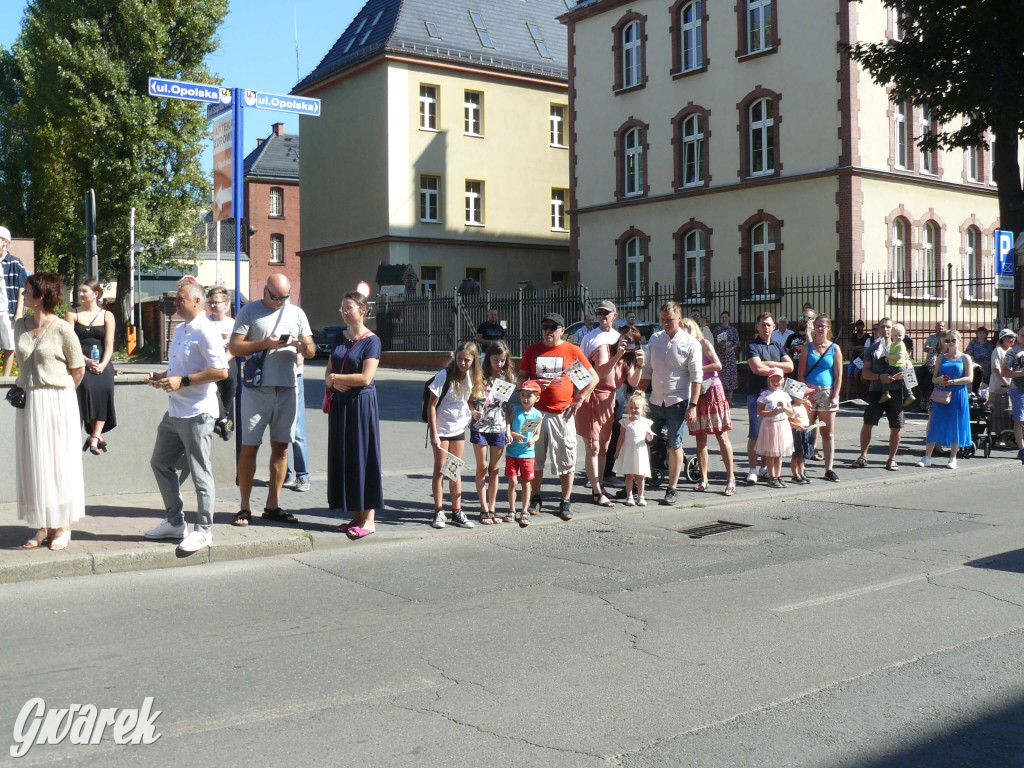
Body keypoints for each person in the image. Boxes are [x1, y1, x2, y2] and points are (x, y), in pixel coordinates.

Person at [142, 281, 229, 552]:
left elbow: (221, 371)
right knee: (160, 463)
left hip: (198, 413)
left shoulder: (207, 331)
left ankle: (204, 530)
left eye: (181, 299)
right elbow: (178, 370)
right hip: (175, 411)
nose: (176, 303)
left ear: (197, 303)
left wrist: (184, 381)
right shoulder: (180, 329)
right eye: (176, 299)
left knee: (201, 472)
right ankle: (175, 522)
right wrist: (164, 377)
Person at [228, 274, 315, 527]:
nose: (279, 301)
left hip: (288, 388)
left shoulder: (297, 313)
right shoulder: (249, 311)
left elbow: (311, 350)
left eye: (284, 297)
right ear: (265, 290)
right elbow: (235, 347)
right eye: (275, 296)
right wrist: (263, 344)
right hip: (257, 390)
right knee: (249, 448)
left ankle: (272, 505)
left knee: (281, 448)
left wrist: (299, 344)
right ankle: (244, 507)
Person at [14, 273, 86, 550]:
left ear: (41, 295)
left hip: (57, 400)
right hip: (29, 402)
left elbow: (77, 369)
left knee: (58, 463)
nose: (23, 294)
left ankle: (63, 526)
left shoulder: (62, 328)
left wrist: (59, 394)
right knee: (35, 463)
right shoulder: (20, 324)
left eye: (28, 290)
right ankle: (43, 525)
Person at [518, 312, 597, 520]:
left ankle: (565, 501)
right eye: (545, 327)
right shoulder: (533, 350)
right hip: (534, 414)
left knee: (566, 459)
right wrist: (532, 386)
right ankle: (535, 497)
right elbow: (522, 379)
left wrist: (579, 400)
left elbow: (592, 379)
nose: (548, 331)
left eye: (553, 327)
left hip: (563, 414)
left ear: (563, 330)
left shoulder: (571, 351)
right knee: (532, 457)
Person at [326, 292, 384, 539]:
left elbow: (365, 377)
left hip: (361, 404)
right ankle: (355, 516)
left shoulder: (372, 341)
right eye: (342, 308)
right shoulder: (339, 337)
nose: (344, 312)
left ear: (363, 309)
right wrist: (331, 381)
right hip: (340, 405)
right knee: (347, 458)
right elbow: (328, 372)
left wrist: (335, 379)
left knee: (364, 456)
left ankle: (369, 520)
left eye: (348, 307)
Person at [633, 301, 702, 505]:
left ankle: (672, 489)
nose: (665, 323)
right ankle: (639, 486)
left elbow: (696, 377)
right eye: (662, 319)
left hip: (678, 401)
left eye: (669, 320)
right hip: (654, 401)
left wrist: (693, 406)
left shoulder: (691, 343)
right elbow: (647, 370)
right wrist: (638, 394)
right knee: (644, 442)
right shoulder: (655, 339)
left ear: (679, 318)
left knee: (674, 445)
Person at [577, 319, 641, 508]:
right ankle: (596, 492)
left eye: (632, 341)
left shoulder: (629, 358)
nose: (627, 342)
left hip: (609, 402)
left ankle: (600, 485)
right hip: (592, 398)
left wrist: (640, 365)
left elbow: (635, 382)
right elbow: (602, 373)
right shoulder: (605, 349)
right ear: (619, 337)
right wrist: (618, 354)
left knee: (604, 448)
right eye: (625, 338)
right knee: (593, 447)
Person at [427, 340, 483, 529]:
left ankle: (457, 512)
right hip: (442, 430)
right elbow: (431, 406)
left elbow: (467, 400)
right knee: (440, 469)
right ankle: (438, 511)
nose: (462, 363)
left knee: (454, 470)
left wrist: (473, 411)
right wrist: (434, 434)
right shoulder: (444, 375)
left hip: (458, 429)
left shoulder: (471, 376)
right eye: (459, 359)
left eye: (467, 360)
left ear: (473, 360)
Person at [680, 317, 735, 495]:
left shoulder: (702, 342)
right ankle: (704, 479)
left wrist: (695, 369)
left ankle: (730, 478)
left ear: (693, 328)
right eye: (681, 328)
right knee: (700, 438)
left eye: (687, 327)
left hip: (712, 389)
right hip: (695, 392)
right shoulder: (683, 348)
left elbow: (717, 365)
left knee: (721, 435)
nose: (684, 331)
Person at [66, 279, 117, 454]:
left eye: (84, 291)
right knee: (86, 388)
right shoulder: (72, 314)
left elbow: (109, 345)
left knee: (105, 388)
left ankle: (95, 435)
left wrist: (103, 364)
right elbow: (69, 344)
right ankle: (93, 435)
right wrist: (85, 361)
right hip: (80, 361)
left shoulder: (107, 315)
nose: (80, 295)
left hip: (102, 360)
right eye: (79, 291)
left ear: (96, 294)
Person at [743, 312, 794, 484]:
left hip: (776, 395)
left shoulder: (778, 345)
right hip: (757, 395)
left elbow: (790, 366)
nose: (766, 327)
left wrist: (769, 364)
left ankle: (765, 468)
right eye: (762, 324)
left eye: (769, 324)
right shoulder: (752, 346)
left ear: (774, 327)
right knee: (755, 434)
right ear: (757, 326)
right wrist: (778, 369)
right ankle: (752, 469)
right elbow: (757, 368)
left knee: (770, 433)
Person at [851, 318, 905, 470]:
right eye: (882, 327)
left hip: (895, 391)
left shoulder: (901, 347)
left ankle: (891, 459)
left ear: (893, 329)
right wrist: (880, 377)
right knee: (868, 423)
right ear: (878, 329)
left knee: (896, 426)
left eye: (888, 326)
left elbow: (907, 368)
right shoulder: (872, 349)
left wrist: (898, 376)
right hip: (875, 390)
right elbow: (865, 374)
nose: (886, 329)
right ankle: (863, 456)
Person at [472, 341, 514, 524]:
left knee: (494, 470)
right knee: (482, 467)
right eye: (496, 360)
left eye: (503, 360)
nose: (499, 364)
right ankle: (483, 509)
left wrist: (508, 429)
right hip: (479, 427)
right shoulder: (478, 377)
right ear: (488, 358)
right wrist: (473, 411)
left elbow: (507, 407)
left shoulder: (507, 378)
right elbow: (468, 399)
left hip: (498, 427)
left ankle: (492, 508)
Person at [918, 331, 973, 469]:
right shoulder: (941, 357)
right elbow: (934, 377)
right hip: (942, 393)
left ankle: (953, 458)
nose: (950, 343)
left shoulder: (965, 358)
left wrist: (953, 381)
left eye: (953, 340)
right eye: (947, 340)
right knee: (935, 422)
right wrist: (939, 380)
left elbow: (969, 378)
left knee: (956, 424)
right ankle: (927, 457)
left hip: (958, 393)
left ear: (960, 341)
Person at [800, 314, 843, 482]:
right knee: (806, 430)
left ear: (828, 328)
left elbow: (838, 375)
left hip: (827, 393)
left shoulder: (834, 348)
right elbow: (801, 373)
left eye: (823, 326)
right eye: (817, 325)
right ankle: (801, 467)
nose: (820, 328)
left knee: (828, 433)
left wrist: (835, 395)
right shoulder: (807, 347)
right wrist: (803, 394)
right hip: (809, 392)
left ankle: (829, 469)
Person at [506, 380, 543, 527]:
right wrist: (515, 435)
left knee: (526, 483)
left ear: (537, 398)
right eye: (523, 395)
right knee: (513, 482)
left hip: (528, 454)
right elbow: (508, 428)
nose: (525, 398)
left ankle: (524, 510)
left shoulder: (538, 415)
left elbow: (537, 434)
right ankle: (511, 509)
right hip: (512, 453)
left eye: (529, 396)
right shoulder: (515, 410)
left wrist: (532, 440)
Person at [612, 390, 654, 506]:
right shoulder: (625, 422)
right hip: (628, 451)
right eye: (631, 408)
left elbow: (649, 439)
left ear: (643, 409)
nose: (634, 410)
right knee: (629, 475)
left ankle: (641, 496)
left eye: (637, 408)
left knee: (640, 476)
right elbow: (621, 437)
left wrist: (649, 436)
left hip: (640, 452)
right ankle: (629, 496)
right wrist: (617, 450)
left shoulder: (646, 422)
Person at [205, 286, 236, 441]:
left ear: (225, 304)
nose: (212, 305)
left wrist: (223, 360)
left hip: (226, 359)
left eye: (216, 302)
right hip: (209, 361)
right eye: (210, 302)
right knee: (212, 384)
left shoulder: (232, 324)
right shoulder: (205, 323)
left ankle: (223, 415)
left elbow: (233, 348)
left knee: (231, 379)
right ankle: (224, 420)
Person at [755, 368, 795, 488]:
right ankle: (771, 477)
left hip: (782, 425)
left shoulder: (785, 395)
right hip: (770, 425)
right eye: (773, 380)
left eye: (778, 380)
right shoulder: (765, 395)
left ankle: (778, 476)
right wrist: (771, 413)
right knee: (771, 453)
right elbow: (760, 411)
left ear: (783, 381)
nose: (776, 382)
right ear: (769, 380)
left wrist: (783, 407)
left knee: (779, 453)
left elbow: (791, 411)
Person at [1, 225, 28, 377]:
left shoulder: (15, 263)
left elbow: (22, 288)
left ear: (5, 241)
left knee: (9, 345)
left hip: (7, 310)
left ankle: (4, 379)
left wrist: (18, 312)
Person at [283, 353, 311, 492]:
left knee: (297, 432)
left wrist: (299, 352)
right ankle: (284, 475)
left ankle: (303, 475)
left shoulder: (299, 330)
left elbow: (306, 349)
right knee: (279, 430)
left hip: (295, 377)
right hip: (274, 380)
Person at [999, 333, 1024, 463]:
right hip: (1019, 389)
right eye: (1022, 334)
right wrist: (1020, 373)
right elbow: (1004, 371)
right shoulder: (1013, 352)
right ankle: (1022, 450)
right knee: (1020, 420)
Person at [989, 329, 1016, 446]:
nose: (1012, 339)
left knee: (1008, 413)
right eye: (1009, 337)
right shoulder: (998, 351)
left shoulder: (1012, 351)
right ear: (1003, 338)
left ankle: (1007, 437)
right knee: (999, 413)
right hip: (999, 387)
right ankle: (999, 438)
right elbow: (996, 368)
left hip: (1011, 387)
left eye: (1013, 337)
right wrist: (1005, 381)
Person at [878, 323, 914, 406]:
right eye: (895, 335)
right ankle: (909, 394)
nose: (898, 337)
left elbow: (899, 356)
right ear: (892, 336)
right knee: (904, 381)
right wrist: (888, 358)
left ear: (904, 336)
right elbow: (892, 354)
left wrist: (888, 356)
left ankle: (885, 393)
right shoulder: (893, 344)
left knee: (886, 376)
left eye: (900, 335)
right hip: (895, 365)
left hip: (898, 366)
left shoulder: (901, 345)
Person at [713, 311, 741, 403]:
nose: (724, 319)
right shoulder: (717, 329)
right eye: (723, 317)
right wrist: (719, 344)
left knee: (731, 377)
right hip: (720, 356)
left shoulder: (733, 330)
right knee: (721, 377)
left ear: (729, 318)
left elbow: (737, 343)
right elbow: (712, 342)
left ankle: (730, 399)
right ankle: (722, 399)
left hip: (730, 356)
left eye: (726, 317)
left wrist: (731, 348)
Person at [788, 388, 814, 484]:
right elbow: (789, 421)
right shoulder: (793, 408)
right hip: (797, 432)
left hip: (805, 431)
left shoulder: (803, 406)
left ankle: (801, 473)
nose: (807, 397)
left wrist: (808, 408)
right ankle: (795, 475)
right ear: (796, 396)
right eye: (804, 395)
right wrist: (796, 425)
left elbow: (805, 415)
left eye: (807, 395)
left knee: (802, 455)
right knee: (796, 455)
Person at [846, 320, 870, 398]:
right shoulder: (854, 336)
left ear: (863, 326)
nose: (857, 327)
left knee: (856, 373)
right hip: (854, 359)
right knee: (849, 375)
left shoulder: (867, 337)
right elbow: (849, 347)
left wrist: (855, 348)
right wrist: (859, 347)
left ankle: (857, 392)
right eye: (856, 326)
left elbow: (865, 350)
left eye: (859, 326)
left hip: (862, 359)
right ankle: (848, 396)